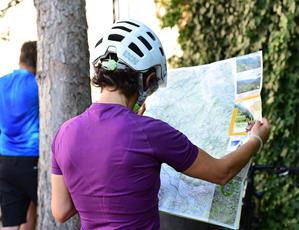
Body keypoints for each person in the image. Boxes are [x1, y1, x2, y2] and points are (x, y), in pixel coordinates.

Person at [51, 20, 270, 230]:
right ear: (148, 79)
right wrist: (256, 139)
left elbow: (61, 211)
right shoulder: (149, 132)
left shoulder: (64, 133)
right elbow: (221, 172)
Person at [0, 41, 38, 230]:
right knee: (42, 207)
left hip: (5, 159)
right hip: (31, 158)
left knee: (11, 221)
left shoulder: (2, 82)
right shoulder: (38, 84)